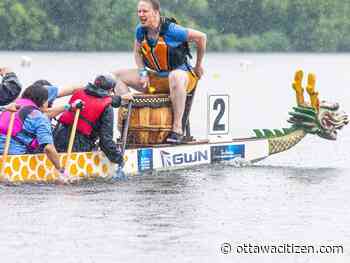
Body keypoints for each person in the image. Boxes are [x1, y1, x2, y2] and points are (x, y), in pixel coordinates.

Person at [113, 0, 206, 144]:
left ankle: (177, 129)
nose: (141, 15)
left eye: (145, 11)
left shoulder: (172, 30)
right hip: (157, 79)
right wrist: (143, 73)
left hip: (183, 77)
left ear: (156, 12)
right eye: (139, 11)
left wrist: (198, 65)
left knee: (175, 76)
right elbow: (137, 54)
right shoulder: (140, 30)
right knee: (116, 76)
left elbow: (202, 37)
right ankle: (129, 125)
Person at [53, 74, 133, 165]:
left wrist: (120, 98)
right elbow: (105, 142)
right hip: (78, 145)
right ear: (111, 91)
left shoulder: (80, 92)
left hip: (56, 137)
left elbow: (102, 98)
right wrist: (119, 159)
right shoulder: (107, 107)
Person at [0, 83, 65, 176]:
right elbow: (48, 148)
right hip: (14, 158)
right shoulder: (39, 118)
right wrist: (61, 170)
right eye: (48, 101)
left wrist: (67, 107)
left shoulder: (10, 107)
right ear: (43, 101)